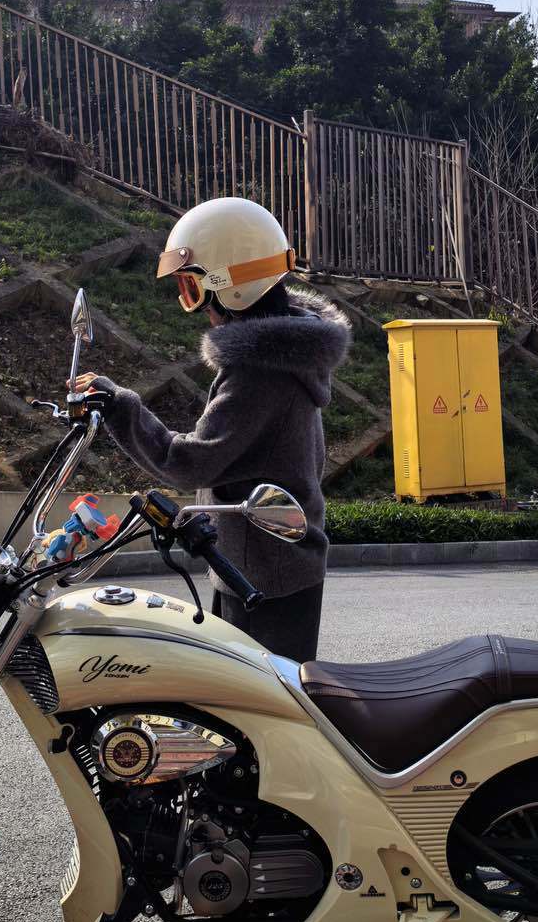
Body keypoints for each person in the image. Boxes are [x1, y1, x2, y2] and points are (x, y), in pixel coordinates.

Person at [78, 194, 350, 664]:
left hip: (262, 576)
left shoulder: (258, 372)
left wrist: (120, 407)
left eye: (192, 287)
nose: (194, 305)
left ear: (230, 284)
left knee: (259, 704)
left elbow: (189, 462)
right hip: (262, 562)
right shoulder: (287, 358)